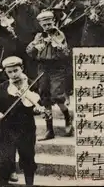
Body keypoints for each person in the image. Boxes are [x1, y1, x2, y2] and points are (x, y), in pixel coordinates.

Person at [0, 56, 44, 185]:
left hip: (26, 129)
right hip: (6, 130)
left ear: (22, 68)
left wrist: (37, 109)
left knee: (27, 159)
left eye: (16, 70)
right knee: (5, 161)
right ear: (5, 73)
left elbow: (39, 102)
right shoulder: (2, 87)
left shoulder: (32, 84)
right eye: (9, 72)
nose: (13, 75)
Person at [26, 11, 73, 140]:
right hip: (42, 68)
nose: (47, 27)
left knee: (57, 96)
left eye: (49, 23)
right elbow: (29, 53)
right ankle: (49, 129)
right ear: (40, 24)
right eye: (44, 24)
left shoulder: (59, 34)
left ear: (53, 22)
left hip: (56, 68)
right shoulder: (39, 36)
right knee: (44, 97)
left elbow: (65, 54)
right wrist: (35, 46)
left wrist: (57, 45)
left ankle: (68, 119)